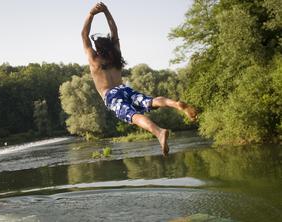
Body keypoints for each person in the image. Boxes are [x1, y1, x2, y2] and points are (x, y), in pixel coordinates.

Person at [81, 2, 197, 156]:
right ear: (109, 46)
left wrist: (91, 14)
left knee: (132, 115)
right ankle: (175, 104)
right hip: (124, 89)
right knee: (150, 101)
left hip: (111, 96)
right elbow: (114, 30)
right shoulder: (115, 55)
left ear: (98, 48)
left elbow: (84, 34)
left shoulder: (95, 60)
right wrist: (106, 12)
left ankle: (159, 132)